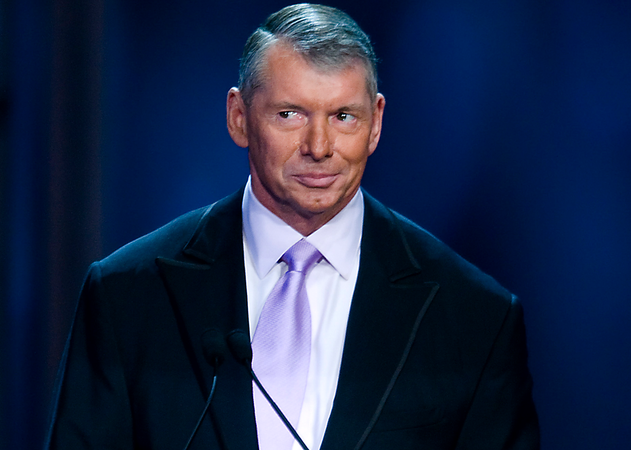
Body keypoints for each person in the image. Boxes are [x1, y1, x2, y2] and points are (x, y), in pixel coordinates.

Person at [45, 4, 539, 449]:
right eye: (290, 114)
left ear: (376, 123)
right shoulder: (126, 297)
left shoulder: (475, 318)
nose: (319, 146)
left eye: (344, 116)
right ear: (239, 117)